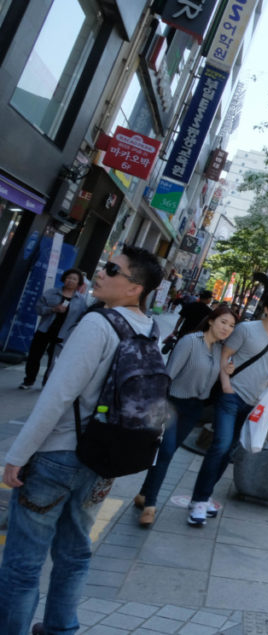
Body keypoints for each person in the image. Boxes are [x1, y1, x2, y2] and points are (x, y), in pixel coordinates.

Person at [0, 246, 163, 635]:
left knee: (23, 562)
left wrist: (16, 455)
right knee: (74, 554)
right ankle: (60, 629)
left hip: (58, 456)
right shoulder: (149, 329)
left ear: (133, 288)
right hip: (102, 459)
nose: (100, 273)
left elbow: (58, 395)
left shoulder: (98, 324)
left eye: (112, 269)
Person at [187, 290, 268, 526]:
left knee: (230, 450)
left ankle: (202, 497)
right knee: (220, 445)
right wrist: (226, 386)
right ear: (266, 308)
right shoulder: (247, 329)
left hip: (255, 404)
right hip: (232, 396)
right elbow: (226, 354)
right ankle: (200, 500)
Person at [133, 305, 238, 527]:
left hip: (194, 409)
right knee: (166, 451)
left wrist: (226, 373)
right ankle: (150, 505)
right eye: (223, 322)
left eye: (231, 325)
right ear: (211, 321)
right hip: (172, 403)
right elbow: (167, 375)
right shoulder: (190, 342)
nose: (226, 328)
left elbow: (218, 378)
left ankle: (144, 493)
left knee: (166, 454)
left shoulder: (220, 351)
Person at [19, 268, 88, 390]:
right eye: (69, 278)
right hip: (44, 329)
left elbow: (81, 317)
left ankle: (47, 384)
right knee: (34, 356)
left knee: (54, 361)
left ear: (78, 283)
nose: (71, 281)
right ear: (64, 279)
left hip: (62, 334)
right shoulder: (51, 293)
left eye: (74, 279)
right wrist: (53, 309)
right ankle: (29, 380)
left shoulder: (81, 301)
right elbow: (39, 308)